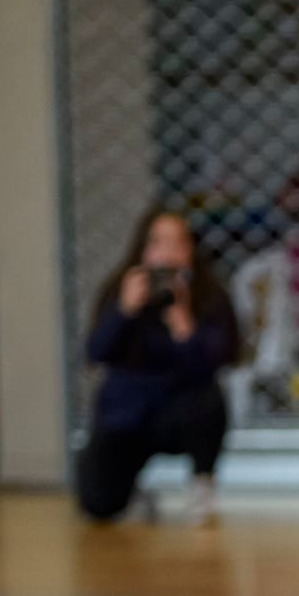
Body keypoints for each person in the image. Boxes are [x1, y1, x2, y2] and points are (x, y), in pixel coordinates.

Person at [77, 209, 239, 525]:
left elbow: (217, 361)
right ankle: (132, 488)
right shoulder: (119, 291)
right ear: (142, 249)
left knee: (210, 400)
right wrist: (124, 311)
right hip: (126, 416)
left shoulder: (207, 296)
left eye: (177, 243)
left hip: (178, 412)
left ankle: (201, 485)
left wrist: (184, 327)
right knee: (98, 503)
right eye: (158, 242)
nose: (168, 253)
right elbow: (96, 352)